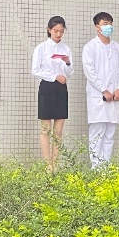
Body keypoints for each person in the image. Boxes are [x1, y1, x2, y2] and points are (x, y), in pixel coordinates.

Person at [82, 11, 119, 169]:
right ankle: (96, 168)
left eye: (110, 23)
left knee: (109, 134)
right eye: (105, 23)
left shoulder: (117, 48)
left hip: (114, 97)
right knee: (97, 133)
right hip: (98, 97)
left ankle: (106, 169)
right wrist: (103, 90)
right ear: (97, 27)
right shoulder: (90, 47)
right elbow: (90, 72)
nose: (108, 26)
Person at [32, 15, 73, 172]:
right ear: (49, 30)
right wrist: (54, 76)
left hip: (61, 88)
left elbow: (70, 72)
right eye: (56, 31)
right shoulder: (41, 48)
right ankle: (47, 164)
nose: (58, 34)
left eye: (61, 31)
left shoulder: (66, 49)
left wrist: (67, 63)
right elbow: (35, 70)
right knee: (45, 129)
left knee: (59, 130)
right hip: (47, 87)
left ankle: (55, 164)